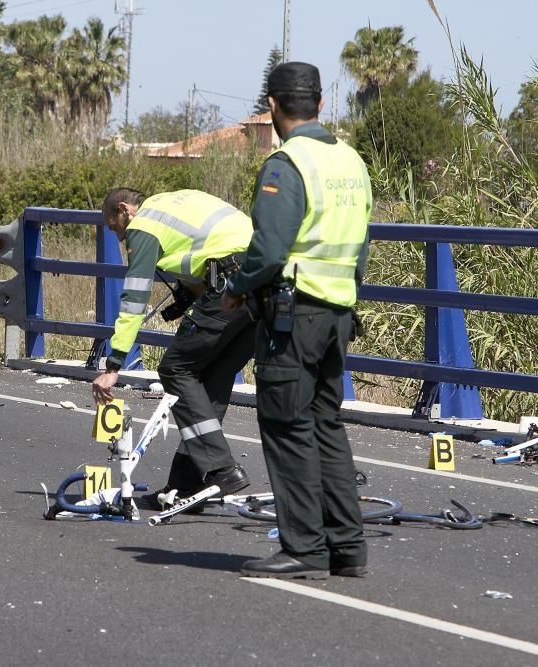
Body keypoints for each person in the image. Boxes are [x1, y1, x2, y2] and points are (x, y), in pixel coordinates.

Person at [222, 62, 373, 579]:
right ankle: (346, 550)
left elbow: (267, 251)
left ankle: (303, 548)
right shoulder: (350, 160)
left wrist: (237, 291)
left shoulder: (288, 164)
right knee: (327, 423)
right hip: (338, 311)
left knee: (287, 425)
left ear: (272, 106)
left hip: (294, 312)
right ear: (321, 104)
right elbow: (360, 248)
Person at [93, 188, 256, 509]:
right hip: (261, 283)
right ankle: (184, 486)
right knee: (209, 381)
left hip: (230, 284)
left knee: (174, 369)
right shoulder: (173, 202)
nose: (119, 238)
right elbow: (210, 247)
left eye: (115, 227)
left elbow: (135, 297)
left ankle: (223, 469)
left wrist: (113, 365)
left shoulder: (143, 226)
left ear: (125, 210)